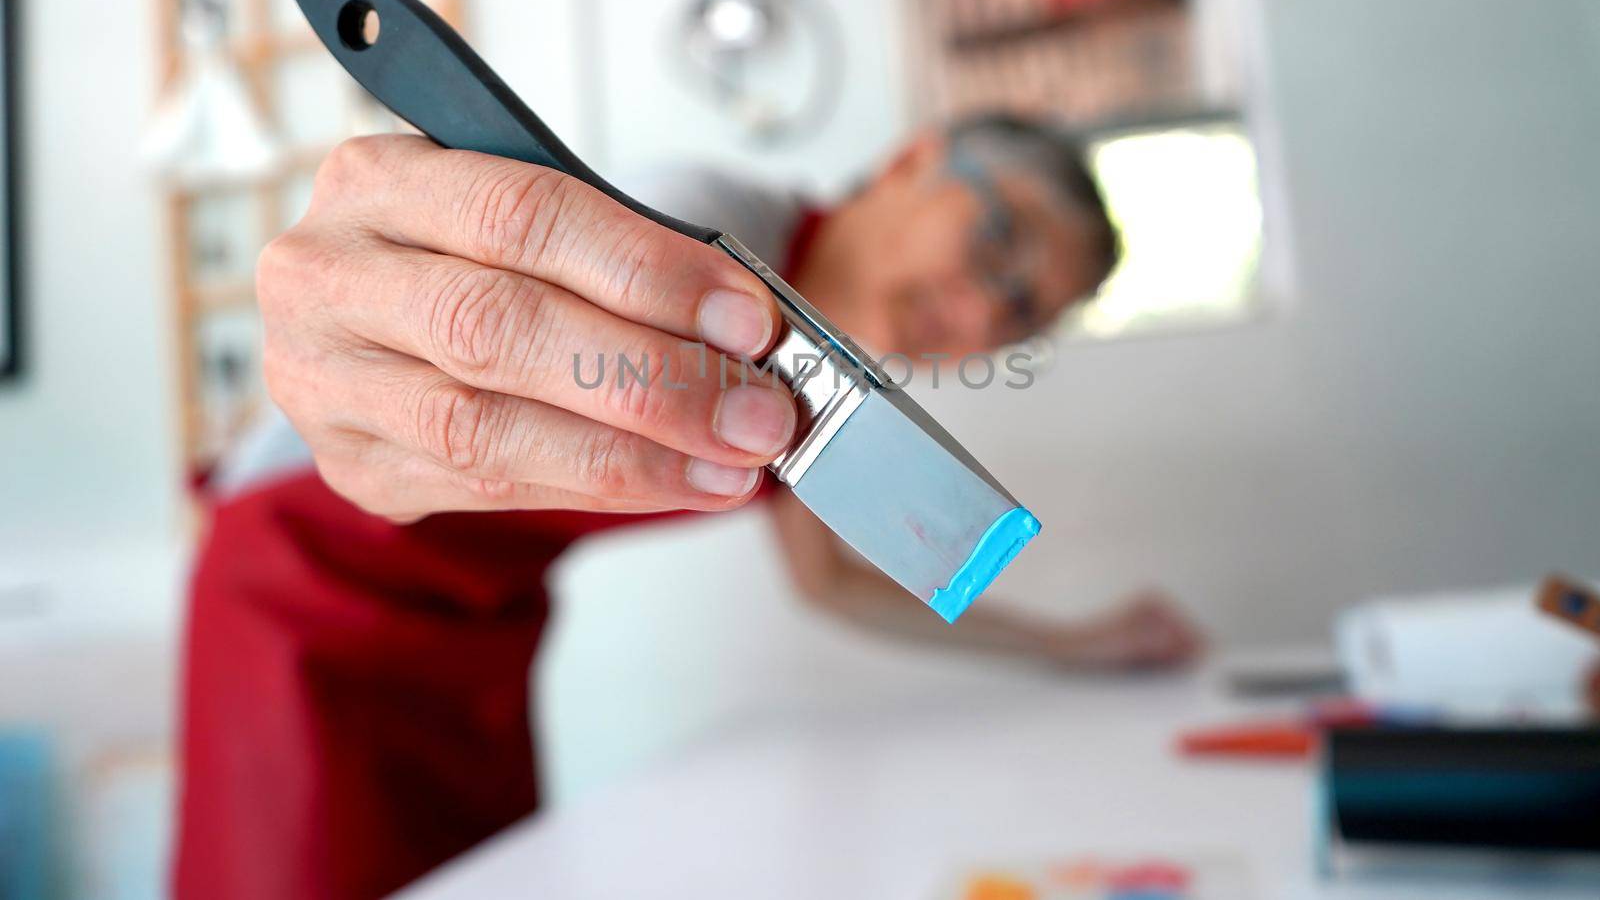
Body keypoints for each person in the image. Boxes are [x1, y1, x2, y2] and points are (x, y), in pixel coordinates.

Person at [176, 112, 1204, 900]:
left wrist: (1076, 646)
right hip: (308, 586)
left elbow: (833, 582)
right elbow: (419, 342)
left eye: (1020, 312)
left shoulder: (825, 377)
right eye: (995, 241)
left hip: (479, 638)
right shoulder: (705, 223)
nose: (981, 309)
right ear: (911, 159)